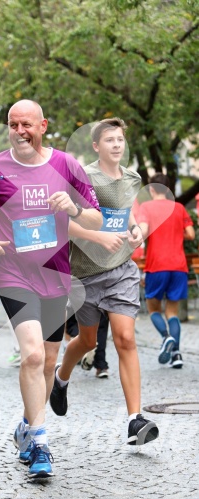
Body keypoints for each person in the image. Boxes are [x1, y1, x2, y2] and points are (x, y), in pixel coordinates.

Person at [0, 99, 101, 478]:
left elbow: (96, 216)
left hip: (54, 274)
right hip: (10, 273)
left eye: (27, 124)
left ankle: (25, 425)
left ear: (43, 126)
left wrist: (72, 209)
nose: (19, 131)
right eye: (13, 124)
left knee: (48, 362)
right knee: (34, 356)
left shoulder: (66, 165)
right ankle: (40, 442)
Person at [50, 117, 159, 447]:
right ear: (96, 146)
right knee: (88, 342)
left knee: (125, 338)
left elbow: (131, 213)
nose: (116, 145)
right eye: (109, 140)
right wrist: (97, 235)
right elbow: (63, 223)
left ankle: (134, 420)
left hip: (122, 269)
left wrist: (138, 228)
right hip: (84, 275)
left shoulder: (132, 177)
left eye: (120, 140)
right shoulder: (83, 177)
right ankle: (60, 377)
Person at [138, 173, 195, 368]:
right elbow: (191, 234)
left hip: (157, 265)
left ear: (152, 189)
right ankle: (176, 354)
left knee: (154, 308)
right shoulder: (179, 208)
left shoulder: (146, 208)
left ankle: (166, 337)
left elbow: (143, 232)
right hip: (179, 266)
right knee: (172, 311)